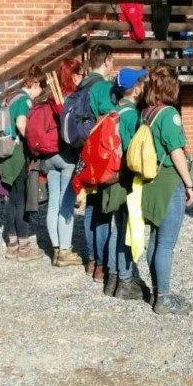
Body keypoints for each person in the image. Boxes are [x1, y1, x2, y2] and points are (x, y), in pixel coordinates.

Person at [135, 65, 193, 315]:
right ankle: (164, 298)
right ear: (171, 86)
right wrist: (190, 184)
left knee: (155, 239)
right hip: (168, 182)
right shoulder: (169, 114)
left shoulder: (145, 113)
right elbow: (176, 152)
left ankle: (157, 290)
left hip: (150, 183)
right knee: (166, 244)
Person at [102, 67, 146, 298]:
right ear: (136, 88)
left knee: (116, 228)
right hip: (125, 179)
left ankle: (112, 279)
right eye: (142, 82)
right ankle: (126, 281)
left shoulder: (113, 111)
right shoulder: (132, 115)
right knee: (126, 230)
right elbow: (133, 153)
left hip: (110, 177)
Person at [80, 43, 118, 282]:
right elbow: (113, 115)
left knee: (90, 207)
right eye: (112, 61)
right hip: (101, 155)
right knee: (103, 210)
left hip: (84, 154)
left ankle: (92, 260)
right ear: (106, 61)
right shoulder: (103, 87)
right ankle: (102, 265)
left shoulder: (81, 84)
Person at [0, 64, 44, 261]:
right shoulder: (24, 100)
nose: (39, 94)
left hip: (4, 154)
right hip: (17, 155)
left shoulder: (8, 97)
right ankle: (24, 248)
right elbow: (21, 124)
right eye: (40, 88)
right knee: (22, 200)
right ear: (35, 83)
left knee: (11, 201)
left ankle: (12, 246)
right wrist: (35, 144)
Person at [41, 58, 83, 268]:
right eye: (80, 74)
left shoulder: (50, 97)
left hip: (48, 156)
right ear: (74, 76)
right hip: (67, 157)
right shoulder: (72, 99)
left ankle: (56, 249)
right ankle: (65, 251)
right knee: (66, 204)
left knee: (53, 203)